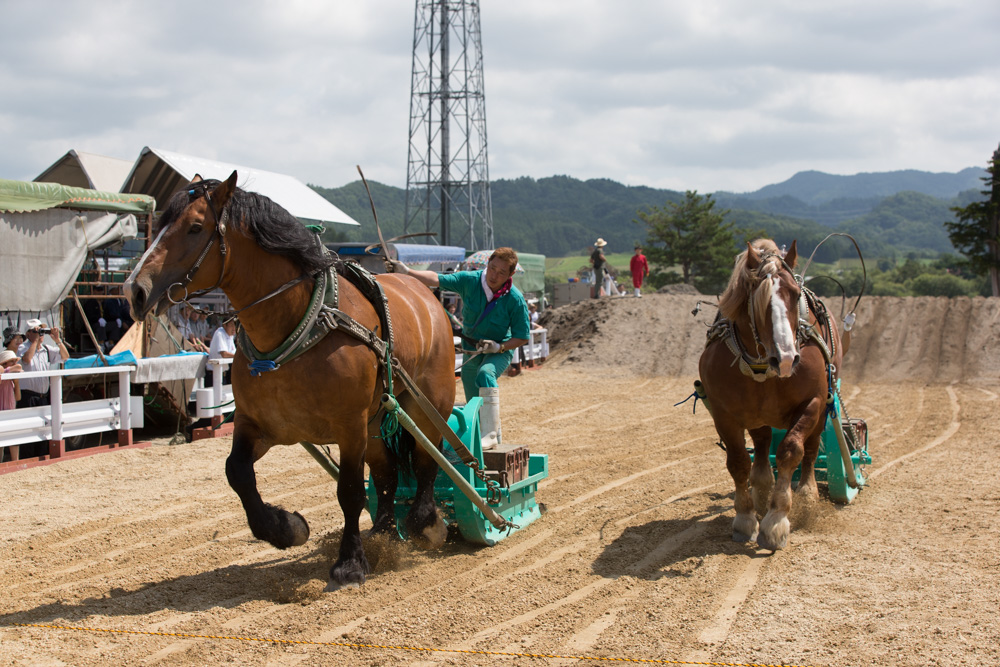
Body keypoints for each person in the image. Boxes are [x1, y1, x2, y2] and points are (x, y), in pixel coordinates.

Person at [390, 248, 530, 448]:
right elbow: (437, 279)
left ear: (511, 274)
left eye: (501, 272)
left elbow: (522, 337)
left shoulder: (515, 299)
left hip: (499, 351)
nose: (494, 275)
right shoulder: (470, 280)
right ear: (488, 264)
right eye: (492, 268)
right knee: (473, 398)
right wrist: (407, 271)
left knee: (486, 373)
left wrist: (499, 347)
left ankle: (491, 433)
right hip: (471, 349)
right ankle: (487, 434)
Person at [16, 319, 70, 408]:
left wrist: (57, 340)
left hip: (43, 397)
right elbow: (26, 359)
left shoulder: (46, 349)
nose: (40, 334)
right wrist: (35, 341)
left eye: (42, 331)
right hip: (28, 397)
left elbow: (65, 357)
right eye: (36, 331)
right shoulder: (22, 347)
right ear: (28, 334)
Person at [207, 318, 237, 385]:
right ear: (224, 325)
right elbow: (224, 354)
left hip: (223, 373)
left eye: (235, 325)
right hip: (214, 374)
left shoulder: (230, 336)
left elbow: (233, 353)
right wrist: (239, 356)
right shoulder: (219, 333)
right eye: (231, 325)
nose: (234, 328)